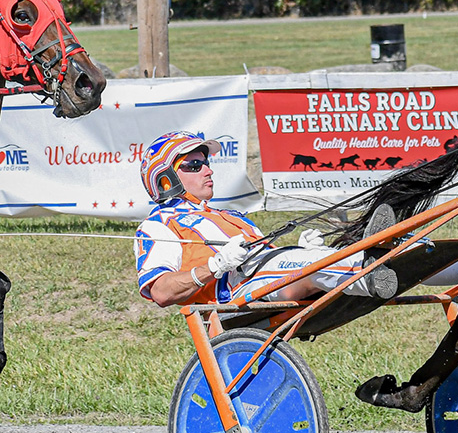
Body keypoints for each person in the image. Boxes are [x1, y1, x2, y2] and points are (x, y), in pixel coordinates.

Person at [134, 131, 397, 308]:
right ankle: (368, 267)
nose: (208, 169)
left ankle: (410, 257)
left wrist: (302, 249)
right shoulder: (158, 225)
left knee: (315, 258)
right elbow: (160, 291)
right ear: (165, 178)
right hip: (240, 290)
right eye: (193, 166)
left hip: (272, 276)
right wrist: (215, 266)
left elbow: (271, 259)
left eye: (206, 162)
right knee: (318, 263)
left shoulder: (229, 216)